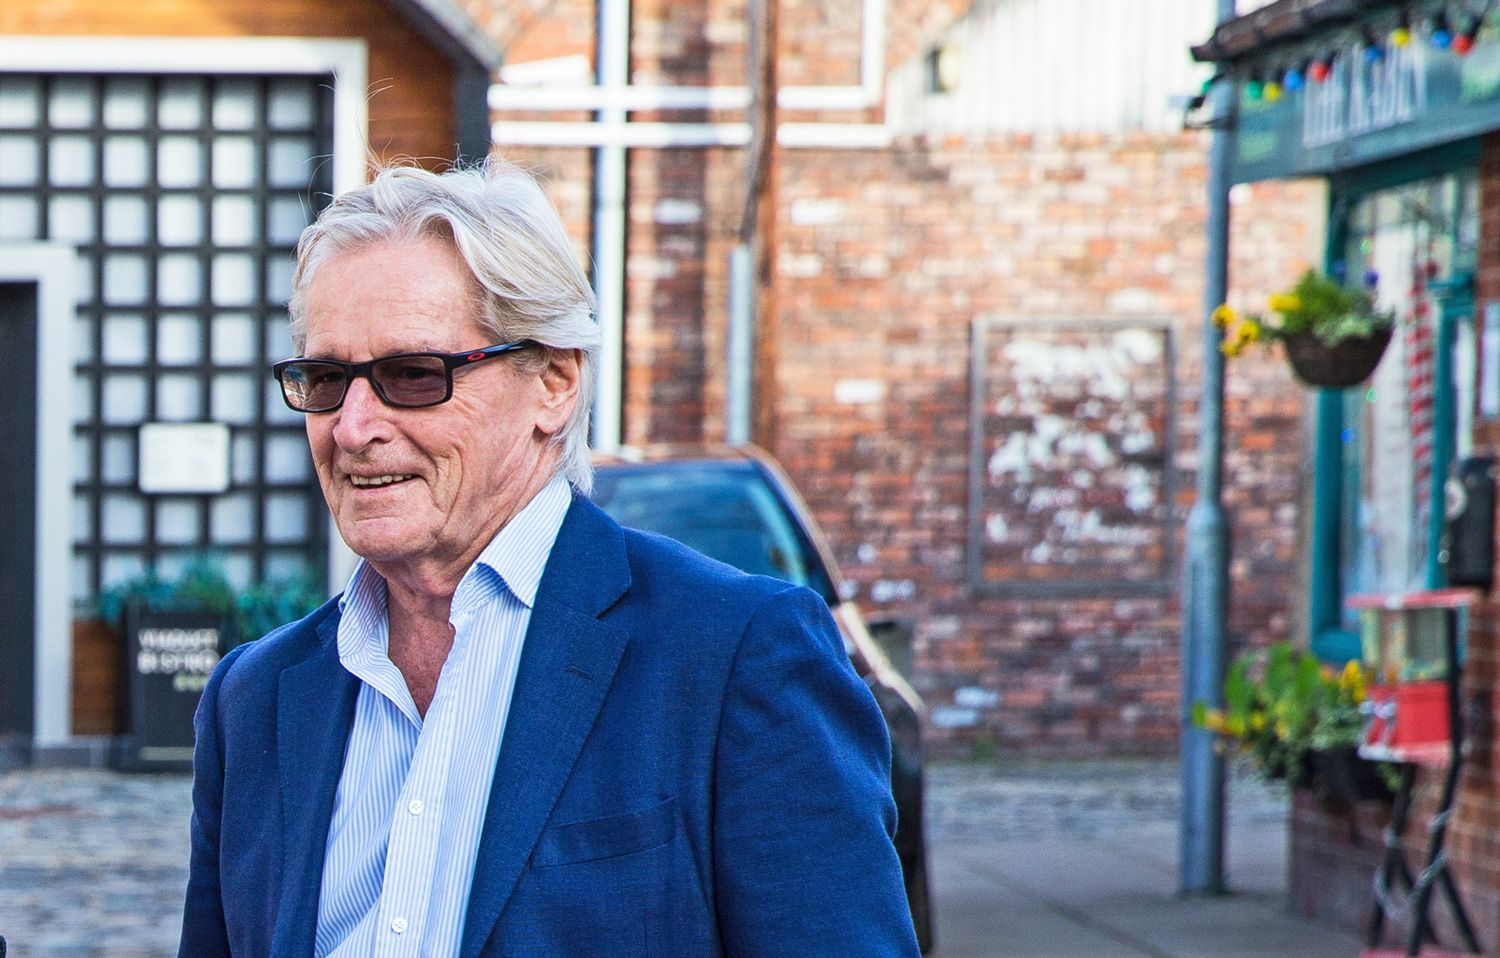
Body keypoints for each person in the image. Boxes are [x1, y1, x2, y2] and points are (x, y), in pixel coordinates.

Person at [178, 160, 919, 957]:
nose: (353, 426)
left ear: (555, 381)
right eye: (326, 378)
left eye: (413, 375)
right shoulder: (254, 699)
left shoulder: (734, 657)